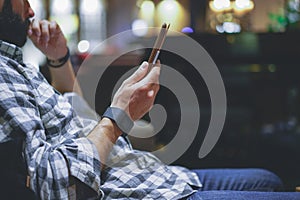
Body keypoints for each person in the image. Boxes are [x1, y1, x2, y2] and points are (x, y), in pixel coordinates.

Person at [1, 0, 300, 199]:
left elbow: (78, 118)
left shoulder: (16, 65)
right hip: (128, 189)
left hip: (146, 172)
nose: (31, 11)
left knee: (268, 178)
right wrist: (119, 116)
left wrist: (59, 58)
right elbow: (55, 184)